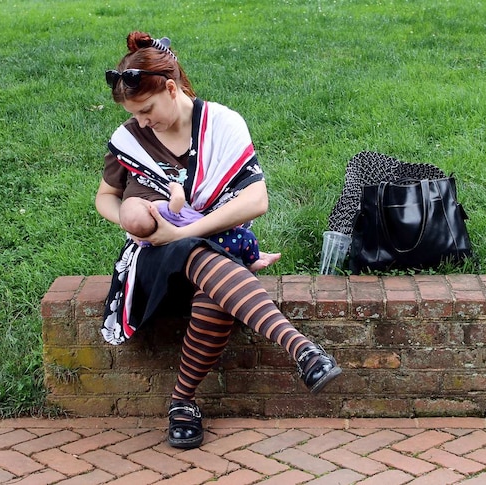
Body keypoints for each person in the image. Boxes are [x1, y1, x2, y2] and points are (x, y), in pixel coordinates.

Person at [95, 31, 341, 449]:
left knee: (213, 288)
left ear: (171, 89)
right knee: (196, 255)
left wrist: (185, 230)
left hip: (216, 247)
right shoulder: (130, 140)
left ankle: (182, 403)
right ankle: (302, 349)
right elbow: (105, 198)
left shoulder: (223, 124)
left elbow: (257, 199)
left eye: (147, 109)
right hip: (154, 261)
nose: (141, 121)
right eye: (135, 114)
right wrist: (137, 223)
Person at [118, 182, 282, 271]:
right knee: (245, 238)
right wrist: (175, 188)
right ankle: (252, 262)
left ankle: (254, 256)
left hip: (200, 248)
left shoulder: (150, 238)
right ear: (150, 208)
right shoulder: (161, 210)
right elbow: (178, 201)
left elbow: (141, 242)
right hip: (210, 234)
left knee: (229, 251)